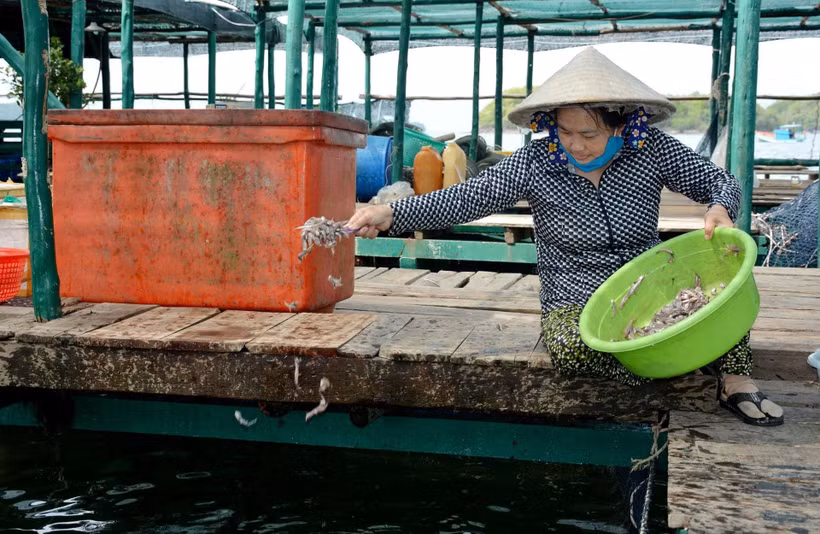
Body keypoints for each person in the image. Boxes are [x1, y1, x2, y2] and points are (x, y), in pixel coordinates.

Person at [346, 47, 783, 426]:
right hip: (576, 298)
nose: (575, 144)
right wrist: (390, 213)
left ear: (620, 124)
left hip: (646, 286)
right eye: (565, 131)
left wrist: (720, 206)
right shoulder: (537, 160)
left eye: (589, 133)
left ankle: (734, 378)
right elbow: (469, 197)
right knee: (570, 350)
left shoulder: (651, 149)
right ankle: (675, 368)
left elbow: (720, 181)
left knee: (723, 294)